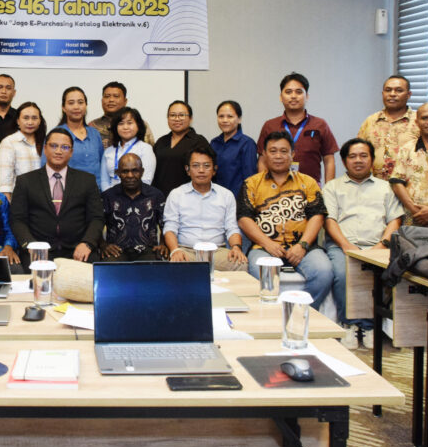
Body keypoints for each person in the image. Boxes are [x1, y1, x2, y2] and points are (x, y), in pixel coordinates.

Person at [239, 131, 335, 311]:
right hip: (265, 247)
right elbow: (244, 219)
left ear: (293, 154)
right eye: (273, 151)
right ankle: (273, 317)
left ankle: (298, 314)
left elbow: (317, 216)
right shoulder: (251, 184)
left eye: (284, 151)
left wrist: (303, 245)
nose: (278, 156)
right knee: (260, 274)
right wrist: (267, 243)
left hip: (304, 247)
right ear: (264, 155)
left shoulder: (308, 182)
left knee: (324, 273)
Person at [323, 138, 404, 346]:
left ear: (372, 159)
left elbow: (395, 220)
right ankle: (348, 324)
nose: (358, 160)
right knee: (343, 273)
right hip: (342, 245)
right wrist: (347, 246)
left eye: (363, 156)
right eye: (352, 156)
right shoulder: (332, 187)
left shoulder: (386, 188)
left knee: (379, 273)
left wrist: (382, 245)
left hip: (377, 246)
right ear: (344, 161)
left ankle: (369, 326)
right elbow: (330, 220)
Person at [11, 127, 104, 266]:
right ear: (45, 149)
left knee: (91, 273)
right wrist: (31, 245)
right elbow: (17, 220)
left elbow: (96, 218)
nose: (59, 151)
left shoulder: (87, 180)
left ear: (71, 152)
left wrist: (87, 243)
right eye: (54, 146)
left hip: (78, 249)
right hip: (38, 250)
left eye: (65, 147)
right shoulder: (25, 181)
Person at [163, 145, 246, 270]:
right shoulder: (176, 194)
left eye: (206, 166)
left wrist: (236, 247)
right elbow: (170, 228)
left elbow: (232, 227)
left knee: (241, 264)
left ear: (214, 170)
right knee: (176, 265)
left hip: (217, 251)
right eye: (195, 166)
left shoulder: (226, 195)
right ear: (187, 170)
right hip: (186, 251)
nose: (201, 170)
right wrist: (175, 250)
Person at [256, 72, 338, 183]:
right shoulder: (270, 125)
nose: (293, 96)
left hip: (311, 188)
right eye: (288, 92)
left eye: (299, 92)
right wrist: (264, 186)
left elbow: (329, 160)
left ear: (307, 96)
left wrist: (328, 189)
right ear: (281, 97)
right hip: (275, 188)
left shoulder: (320, 124)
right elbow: (262, 160)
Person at [101, 153, 167, 262]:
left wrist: (163, 244)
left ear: (142, 172)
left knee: (155, 266)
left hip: (148, 251)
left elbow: (166, 224)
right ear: (118, 173)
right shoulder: (108, 196)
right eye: (125, 171)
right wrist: (103, 245)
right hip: (116, 251)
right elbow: (96, 223)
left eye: (135, 171)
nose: (130, 175)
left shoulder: (156, 195)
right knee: (109, 267)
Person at [356, 75, 418, 180]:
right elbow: (358, 153)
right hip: (374, 185)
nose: (392, 94)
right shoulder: (370, 121)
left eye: (399, 90)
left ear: (408, 95)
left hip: (407, 185)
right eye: (388, 90)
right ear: (383, 94)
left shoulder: (419, 122)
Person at [151, 100, 211, 196]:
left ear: (190, 118)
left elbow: (206, 171)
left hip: (189, 197)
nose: (177, 119)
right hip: (160, 196)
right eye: (172, 115)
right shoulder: (161, 141)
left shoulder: (199, 141)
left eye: (182, 115)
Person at [0, 101, 46, 202]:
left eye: (34, 118)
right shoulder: (9, 142)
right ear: (18, 121)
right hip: (19, 200)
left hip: (43, 200)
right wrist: (8, 205)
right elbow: (5, 183)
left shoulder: (46, 142)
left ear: (40, 121)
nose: (30, 122)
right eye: (26, 118)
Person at [55, 86, 104, 183]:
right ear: (63, 108)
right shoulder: (56, 134)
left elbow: (102, 164)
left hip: (96, 190)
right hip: (68, 190)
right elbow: (47, 168)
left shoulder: (94, 133)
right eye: (71, 103)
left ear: (86, 105)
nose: (76, 107)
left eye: (80, 102)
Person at [100, 107, 155, 190]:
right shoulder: (109, 151)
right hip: (111, 195)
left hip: (137, 196)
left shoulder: (145, 149)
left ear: (138, 125)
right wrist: (109, 195)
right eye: (121, 123)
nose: (125, 127)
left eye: (130, 123)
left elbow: (146, 180)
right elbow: (104, 181)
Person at [210, 100, 257, 195]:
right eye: (221, 116)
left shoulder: (247, 143)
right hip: (215, 197)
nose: (225, 120)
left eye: (230, 116)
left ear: (239, 119)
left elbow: (250, 178)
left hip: (237, 199)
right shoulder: (214, 143)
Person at [89, 81, 155, 150]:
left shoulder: (139, 124)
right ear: (102, 101)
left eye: (116, 96)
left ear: (125, 101)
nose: (111, 100)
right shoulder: (92, 126)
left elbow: (150, 149)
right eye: (107, 96)